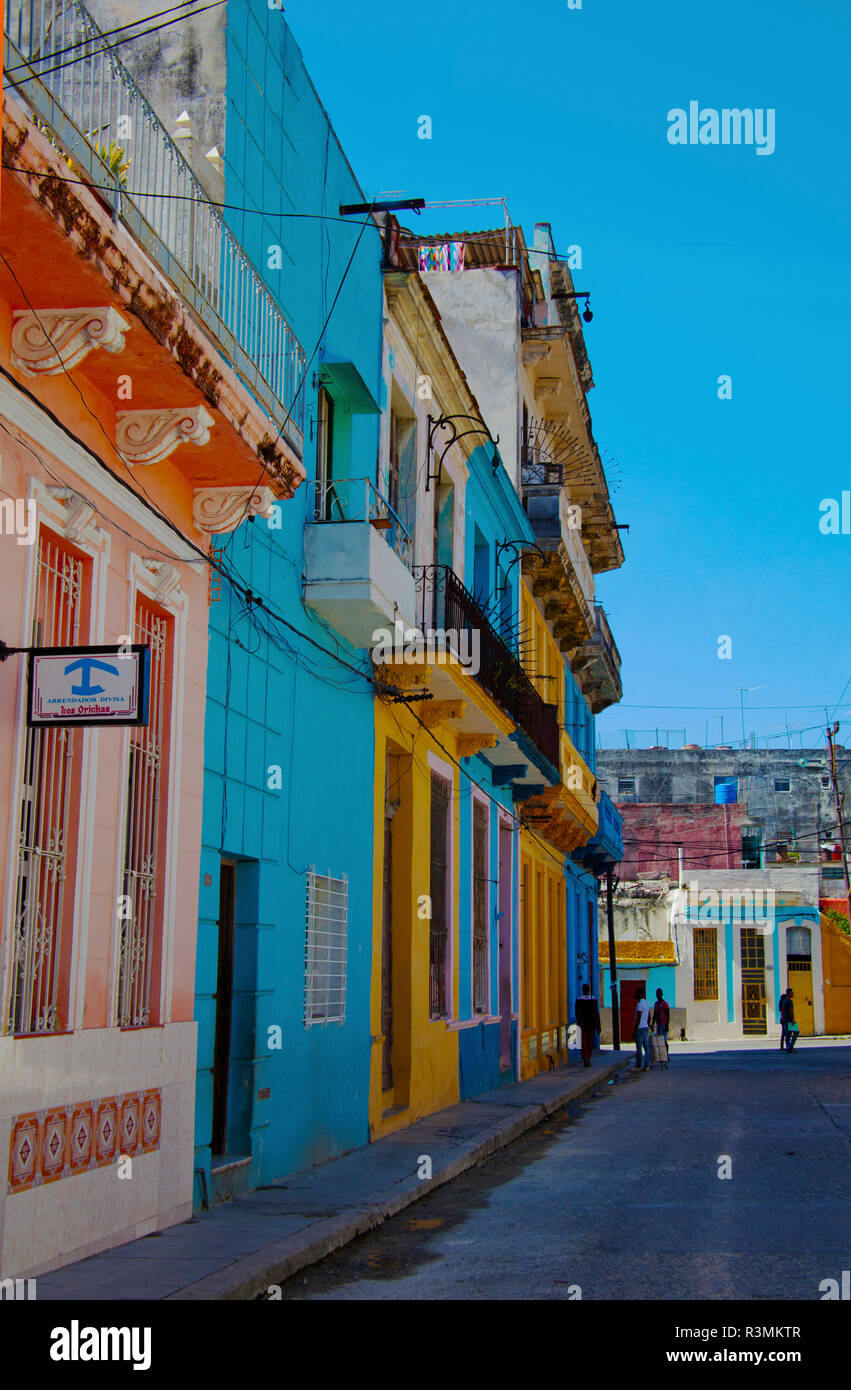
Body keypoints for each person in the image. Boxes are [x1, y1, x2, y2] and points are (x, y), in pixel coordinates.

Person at [575, 983, 601, 1068]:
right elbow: (596, 1013)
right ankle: (588, 1058)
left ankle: (585, 1056)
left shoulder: (578, 1000)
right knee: (590, 1041)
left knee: (583, 1041)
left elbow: (577, 1013)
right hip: (591, 1024)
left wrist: (578, 1021)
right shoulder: (593, 999)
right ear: (589, 990)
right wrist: (599, 1025)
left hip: (582, 1023)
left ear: (582, 990)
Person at [634, 988, 652, 1071]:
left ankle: (639, 1064)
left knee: (639, 1047)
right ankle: (647, 1064)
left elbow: (638, 1017)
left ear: (640, 994)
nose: (635, 994)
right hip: (645, 1027)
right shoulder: (647, 1004)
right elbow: (649, 1016)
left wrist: (635, 1029)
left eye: (636, 993)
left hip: (640, 1028)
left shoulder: (639, 1004)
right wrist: (647, 1024)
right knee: (646, 1047)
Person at [782, 988, 799, 1052]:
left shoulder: (784, 1000)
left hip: (785, 1019)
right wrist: (793, 1020)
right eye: (792, 993)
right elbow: (790, 1011)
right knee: (796, 1032)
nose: (793, 994)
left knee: (788, 1035)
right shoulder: (789, 1001)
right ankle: (790, 1046)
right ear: (789, 993)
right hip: (789, 1020)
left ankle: (788, 1047)